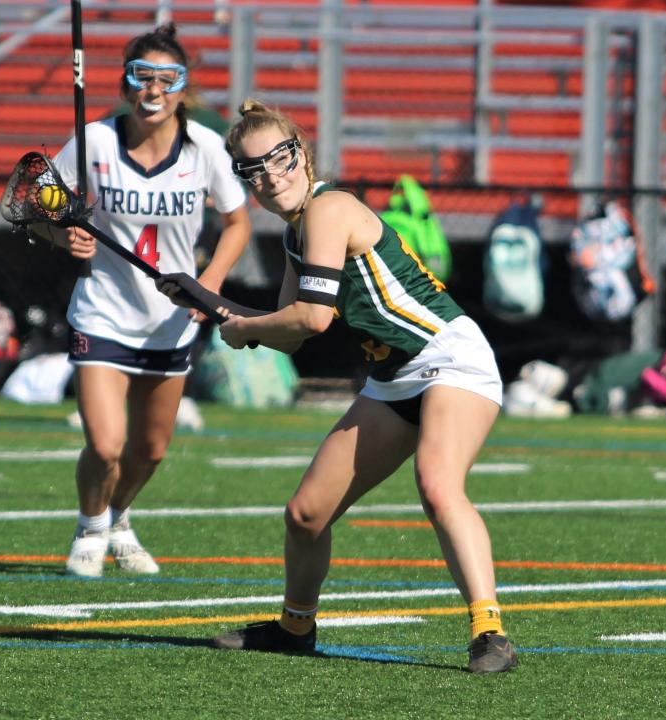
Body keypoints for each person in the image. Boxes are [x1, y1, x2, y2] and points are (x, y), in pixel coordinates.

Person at [160, 99, 516, 673]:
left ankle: (489, 632)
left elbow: (313, 319)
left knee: (437, 484)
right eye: (252, 171)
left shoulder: (328, 209)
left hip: (450, 358)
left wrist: (244, 326)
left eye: (278, 160)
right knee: (306, 513)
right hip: (393, 378)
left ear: (300, 154)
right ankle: (295, 627)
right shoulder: (296, 236)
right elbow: (285, 333)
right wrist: (206, 300)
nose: (270, 178)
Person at [33, 24, 250, 577]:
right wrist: (63, 235)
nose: (153, 91)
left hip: (171, 321)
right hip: (103, 312)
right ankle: (91, 527)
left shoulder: (203, 150)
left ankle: (120, 517)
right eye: (142, 77)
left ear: (184, 89)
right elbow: (40, 207)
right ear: (127, 84)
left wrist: (210, 284)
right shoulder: (94, 142)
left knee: (150, 451)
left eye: (167, 79)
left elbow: (237, 223)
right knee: (106, 445)